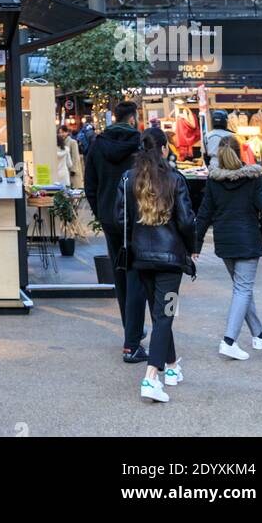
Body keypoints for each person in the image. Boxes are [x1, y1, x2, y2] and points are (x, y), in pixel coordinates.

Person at [115, 128, 197, 403]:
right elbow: (187, 220)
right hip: (171, 261)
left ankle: (171, 368)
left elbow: (119, 218)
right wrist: (193, 248)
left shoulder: (129, 180)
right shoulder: (175, 179)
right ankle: (151, 377)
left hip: (141, 259)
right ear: (163, 149)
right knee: (166, 315)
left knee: (160, 314)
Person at [195, 135, 262, 361]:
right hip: (248, 240)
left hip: (225, 242)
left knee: (243, 288)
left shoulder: (213, 181)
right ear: (240, 152)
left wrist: (196, 244)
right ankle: (229, 341)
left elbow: (203, 214)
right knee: (242, 289)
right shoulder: (253, 178)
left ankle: (259, 335)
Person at [84, 100, 148, 362]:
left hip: (112, 220)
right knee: (137, 278)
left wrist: (102, 214)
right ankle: (132, 341)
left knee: (120, 276)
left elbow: (90, 185)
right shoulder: (141, 144)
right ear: (132, 118)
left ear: (114, 117)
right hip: (140, 219)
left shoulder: (98, 145)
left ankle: (130, 330)